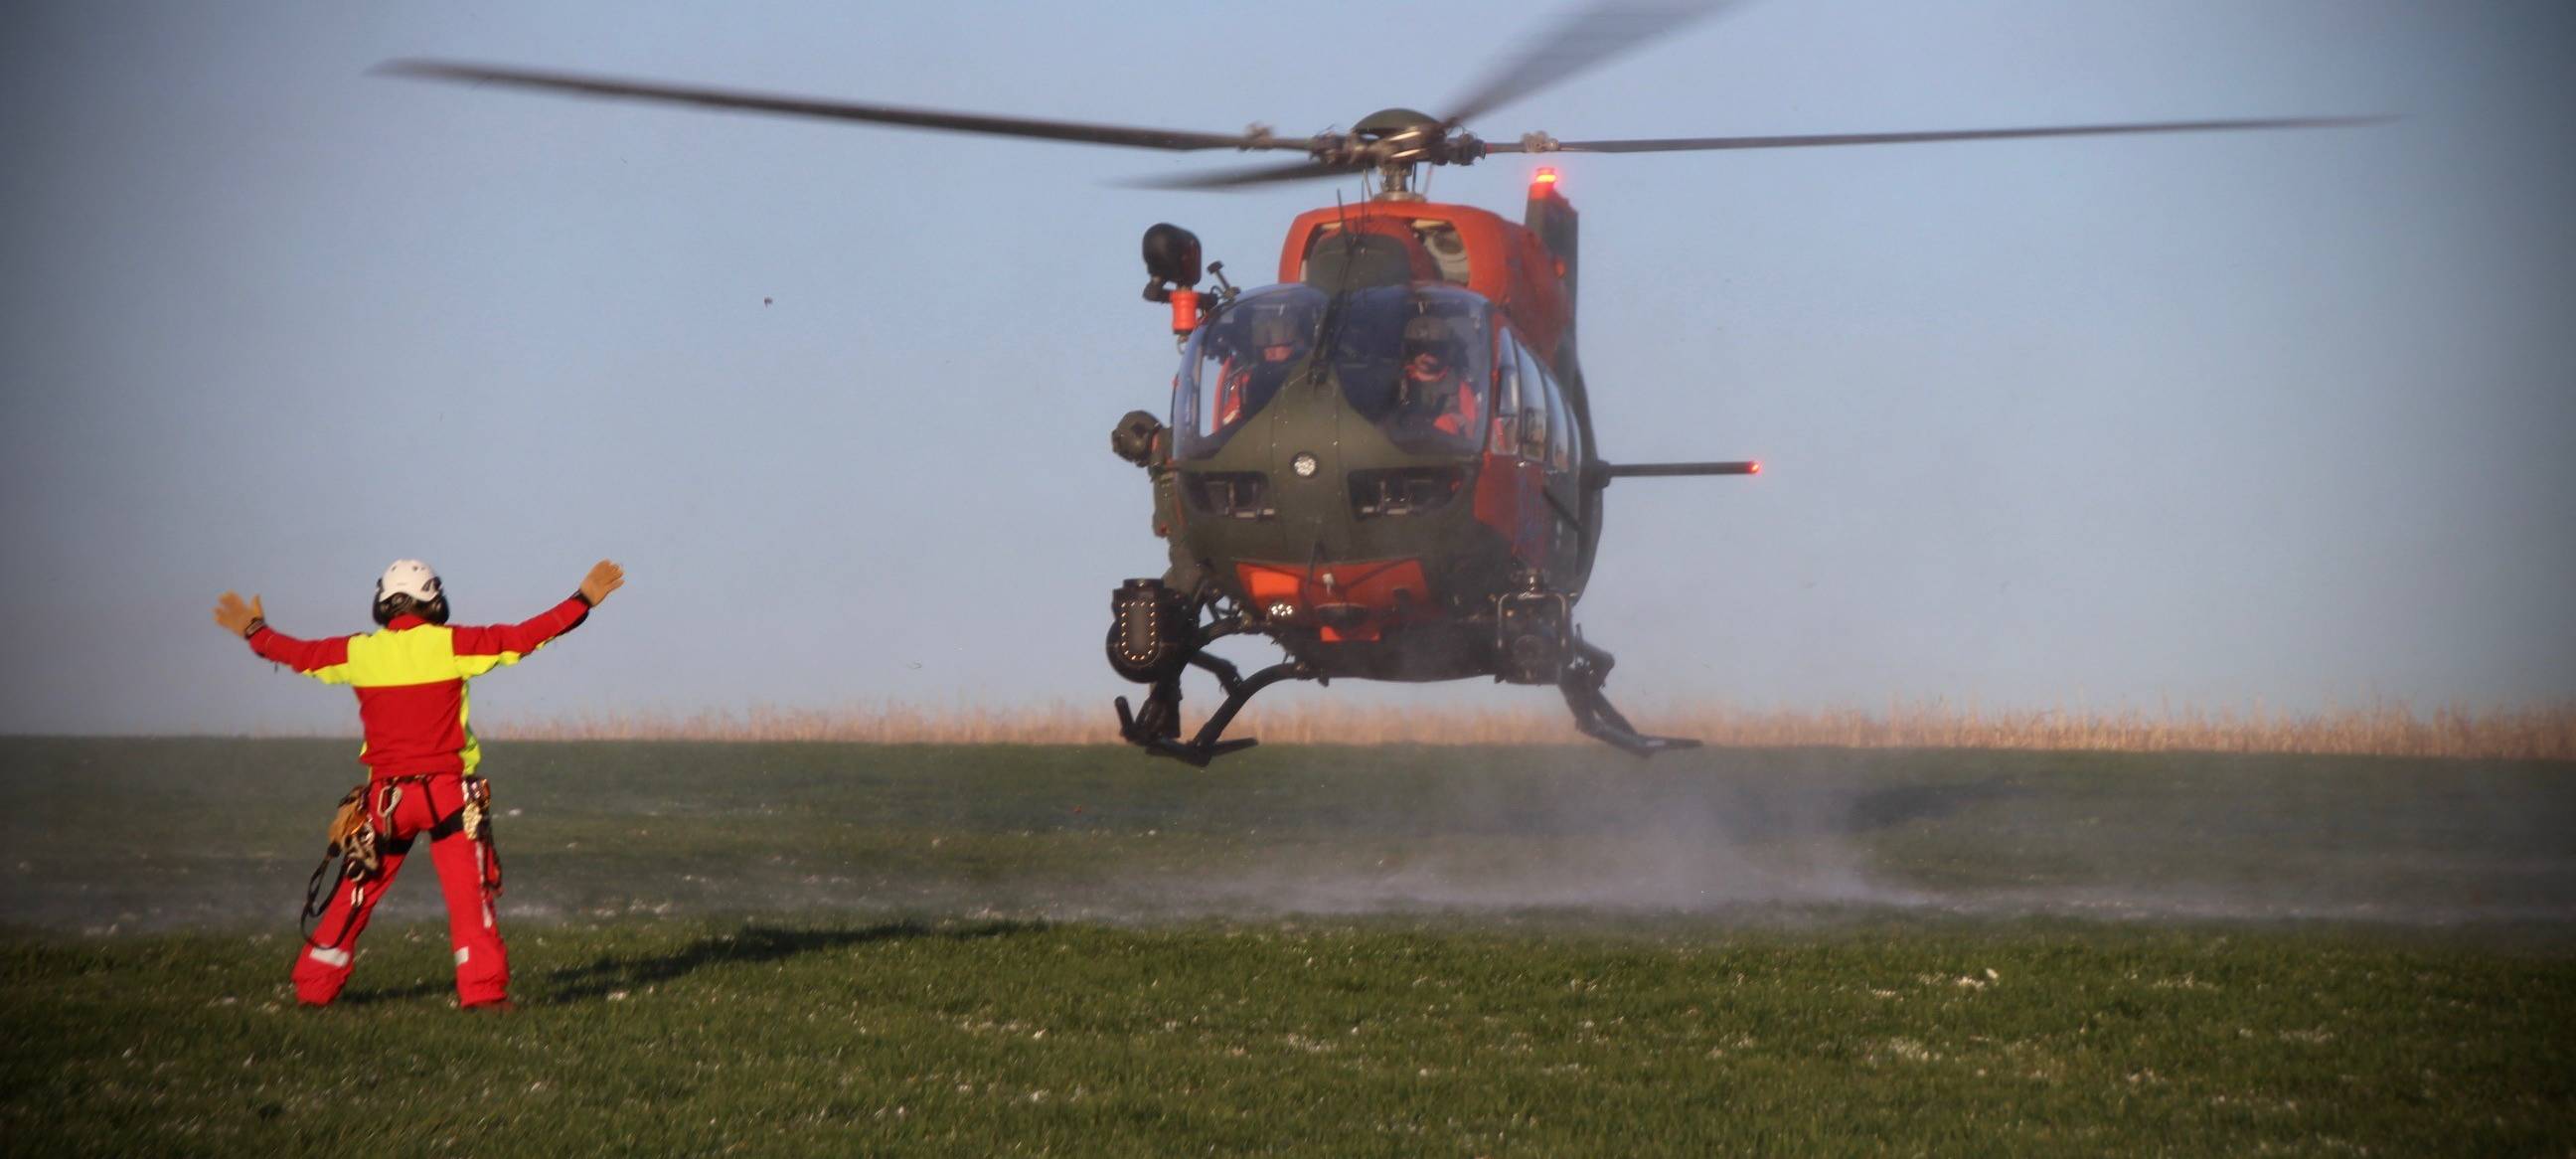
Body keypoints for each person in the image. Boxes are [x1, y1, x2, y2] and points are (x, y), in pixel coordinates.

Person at [211, 558, 625, 1011]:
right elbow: (525, 636)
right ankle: (483, 993)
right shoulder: (453, 645)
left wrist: (254, 631)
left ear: (382, 605)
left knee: (354, 894)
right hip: (448, 797)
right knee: (471, 899)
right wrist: (582, 600)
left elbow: (296, 653)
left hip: (385, 802)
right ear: (433, 598)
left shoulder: (358, 653)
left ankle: (314, 988)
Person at [1398, 314, 1482, 440]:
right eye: (1419, 347)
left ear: (1448, 351)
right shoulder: (1395, 383)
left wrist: (1460, 421)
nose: (1426, 354)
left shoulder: (1461, 390)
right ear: (1409, 350)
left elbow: (1474, 437)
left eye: (1435, 348)